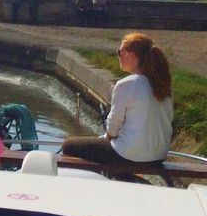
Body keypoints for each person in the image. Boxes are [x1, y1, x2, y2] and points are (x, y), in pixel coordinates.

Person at [62, 32, 173, 166]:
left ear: (131, 55)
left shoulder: (127, 84)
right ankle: (122, 177)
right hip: (158, 155)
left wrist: (108, 137)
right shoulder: (161, 84)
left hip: (130, 155)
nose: (118, 56)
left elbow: (113, 127)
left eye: (120, 52)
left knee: (69, 145)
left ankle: (112, 179)